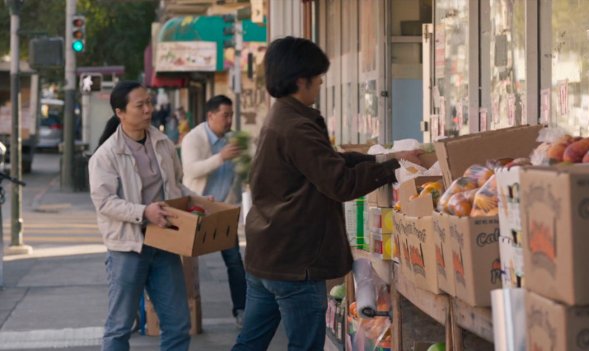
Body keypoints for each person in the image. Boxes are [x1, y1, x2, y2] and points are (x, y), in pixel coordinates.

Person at [232, 36, 422, 351]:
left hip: (267, 253)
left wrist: (381, 159)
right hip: (294, 260)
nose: (321, 83)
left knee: (249, 343)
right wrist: (390, 169)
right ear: (300, 80)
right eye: (318, 77)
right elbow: (340, 183)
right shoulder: (296, 126)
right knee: (303, 346)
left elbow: (327, 162)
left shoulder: (283, 117)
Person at [89, 81, 200, 351]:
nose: (148, 109)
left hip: (165, 243)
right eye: (140, 105)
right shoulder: (105, 155)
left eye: (149, 102)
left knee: (177, 324)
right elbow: (104, 201)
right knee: (119, 328)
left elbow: (175, 183)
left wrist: (195, 200)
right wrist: (143, 212)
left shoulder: (162, 143)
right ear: (120, 113)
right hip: (128, 248)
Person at [180, 95, 247, 328]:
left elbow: (237, 176)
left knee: (235, 262)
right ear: (210, 116)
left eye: (231, 115)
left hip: (221, 213)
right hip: (195, 211)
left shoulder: (231, 140)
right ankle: (182, 312)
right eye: (225, 115)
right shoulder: (194, 139)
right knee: (184, 264)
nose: (229, 120)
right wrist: (220, 157)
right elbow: (190, 170)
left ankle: (241, 310)